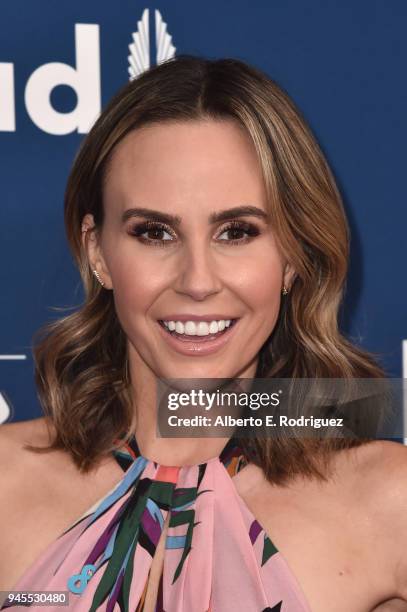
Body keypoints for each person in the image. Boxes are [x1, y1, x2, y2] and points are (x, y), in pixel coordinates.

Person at [0, 54, 406, 612]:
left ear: (292, 256)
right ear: (98, 252)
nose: (197, 281)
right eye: (155, 232)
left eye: (236, 231)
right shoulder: (5, 483)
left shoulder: (386, 504)